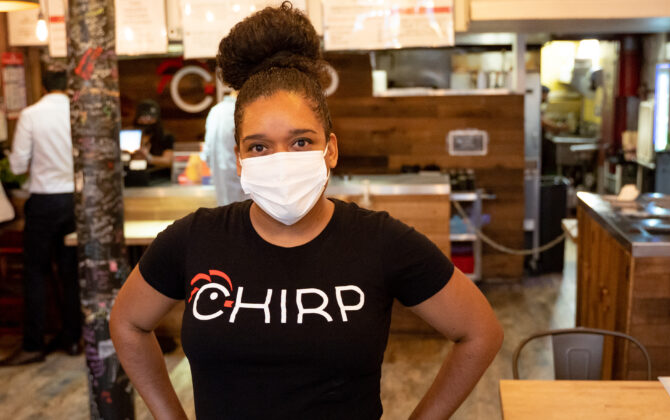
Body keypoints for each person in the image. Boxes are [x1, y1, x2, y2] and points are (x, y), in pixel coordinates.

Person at [109, 3, 503, 419]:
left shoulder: (380, 241)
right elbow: (128, 323)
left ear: (330, 149)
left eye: (300, 142)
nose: (280, 158)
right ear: (240, 159)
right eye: (259, 146)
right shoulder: (195, 239)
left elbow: (480, 332)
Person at [1, 70, 81, 366]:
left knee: (35, 272)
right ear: (67, 87)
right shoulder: (78, 112)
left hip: (44, 201)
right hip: (74, 200)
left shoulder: (31, 115)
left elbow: (19, 163)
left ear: (43, 86)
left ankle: (34, 344)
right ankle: (72, 339)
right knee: (70, 272)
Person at [201, 91, 246, 205]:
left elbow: (207, 153)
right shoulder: (243, 110)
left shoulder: (215, 111)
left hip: (221, 183)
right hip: (241, 185)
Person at [132, 99, 174, 169]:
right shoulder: (130, 136)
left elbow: (168, 161)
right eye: (142, 118)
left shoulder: (166, 137)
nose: (145, 121)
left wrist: (149, 158)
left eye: (150, 118)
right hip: (132, 175)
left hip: (158, 177)